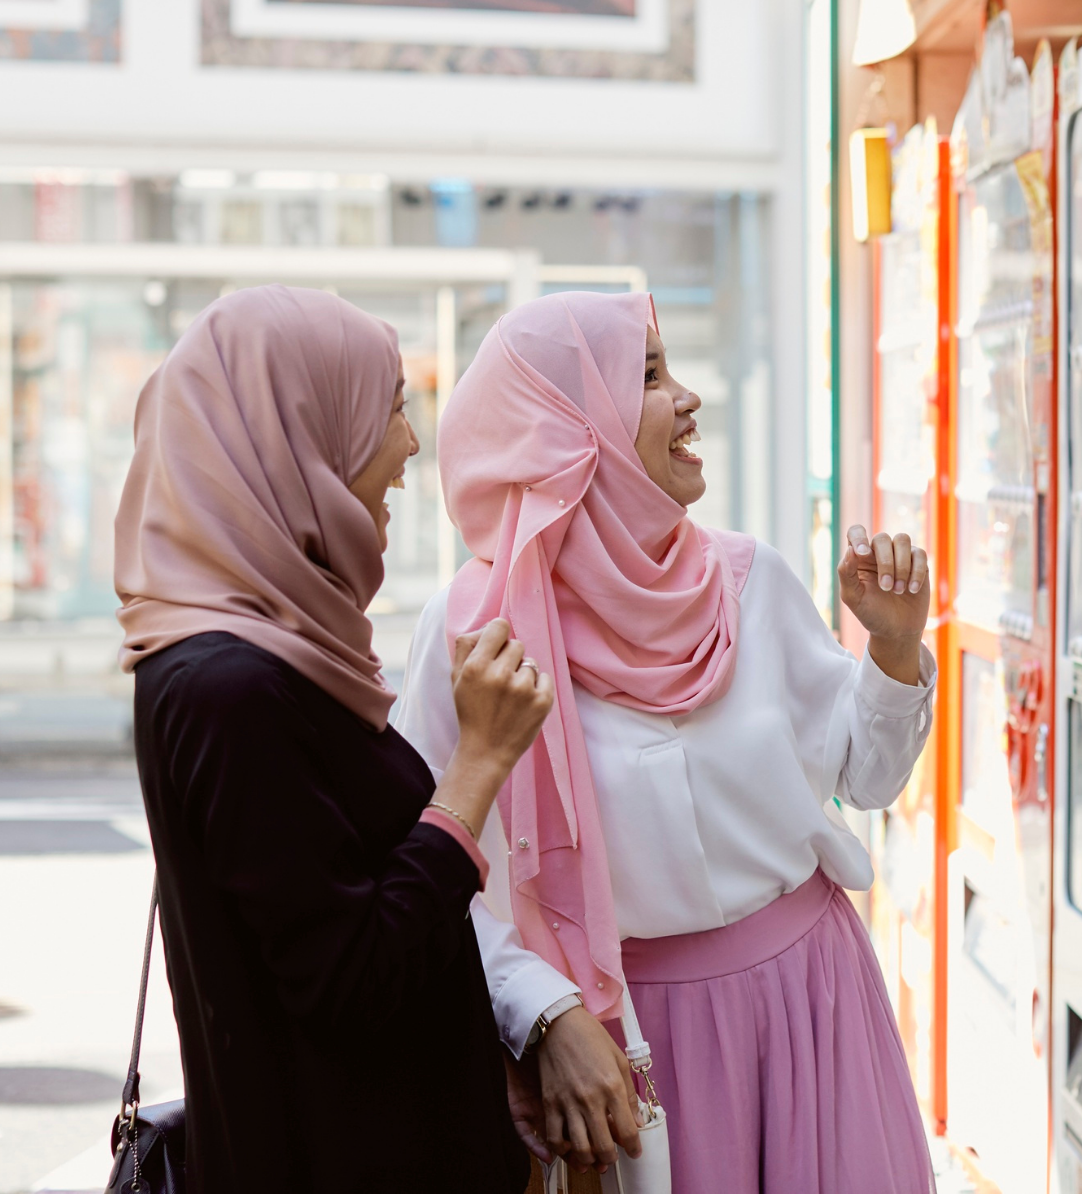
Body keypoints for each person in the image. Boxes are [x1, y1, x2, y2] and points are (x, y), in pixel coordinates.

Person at [394, 290, 936, 1192]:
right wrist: (540, 1013)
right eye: (645, 376)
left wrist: (890, 648)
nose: (686, 398)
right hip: (625, 1050)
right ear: (569, 427)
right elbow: (430, 870)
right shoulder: (474, 633)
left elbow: (867, 777)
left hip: (813, 1009)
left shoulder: (749, 580)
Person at [115, 284, 546, 1193]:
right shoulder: (229, 686)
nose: (409, 442)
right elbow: (348, 977)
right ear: (296, 434)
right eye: (389, 404)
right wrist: (476, 769)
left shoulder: (259, 658)